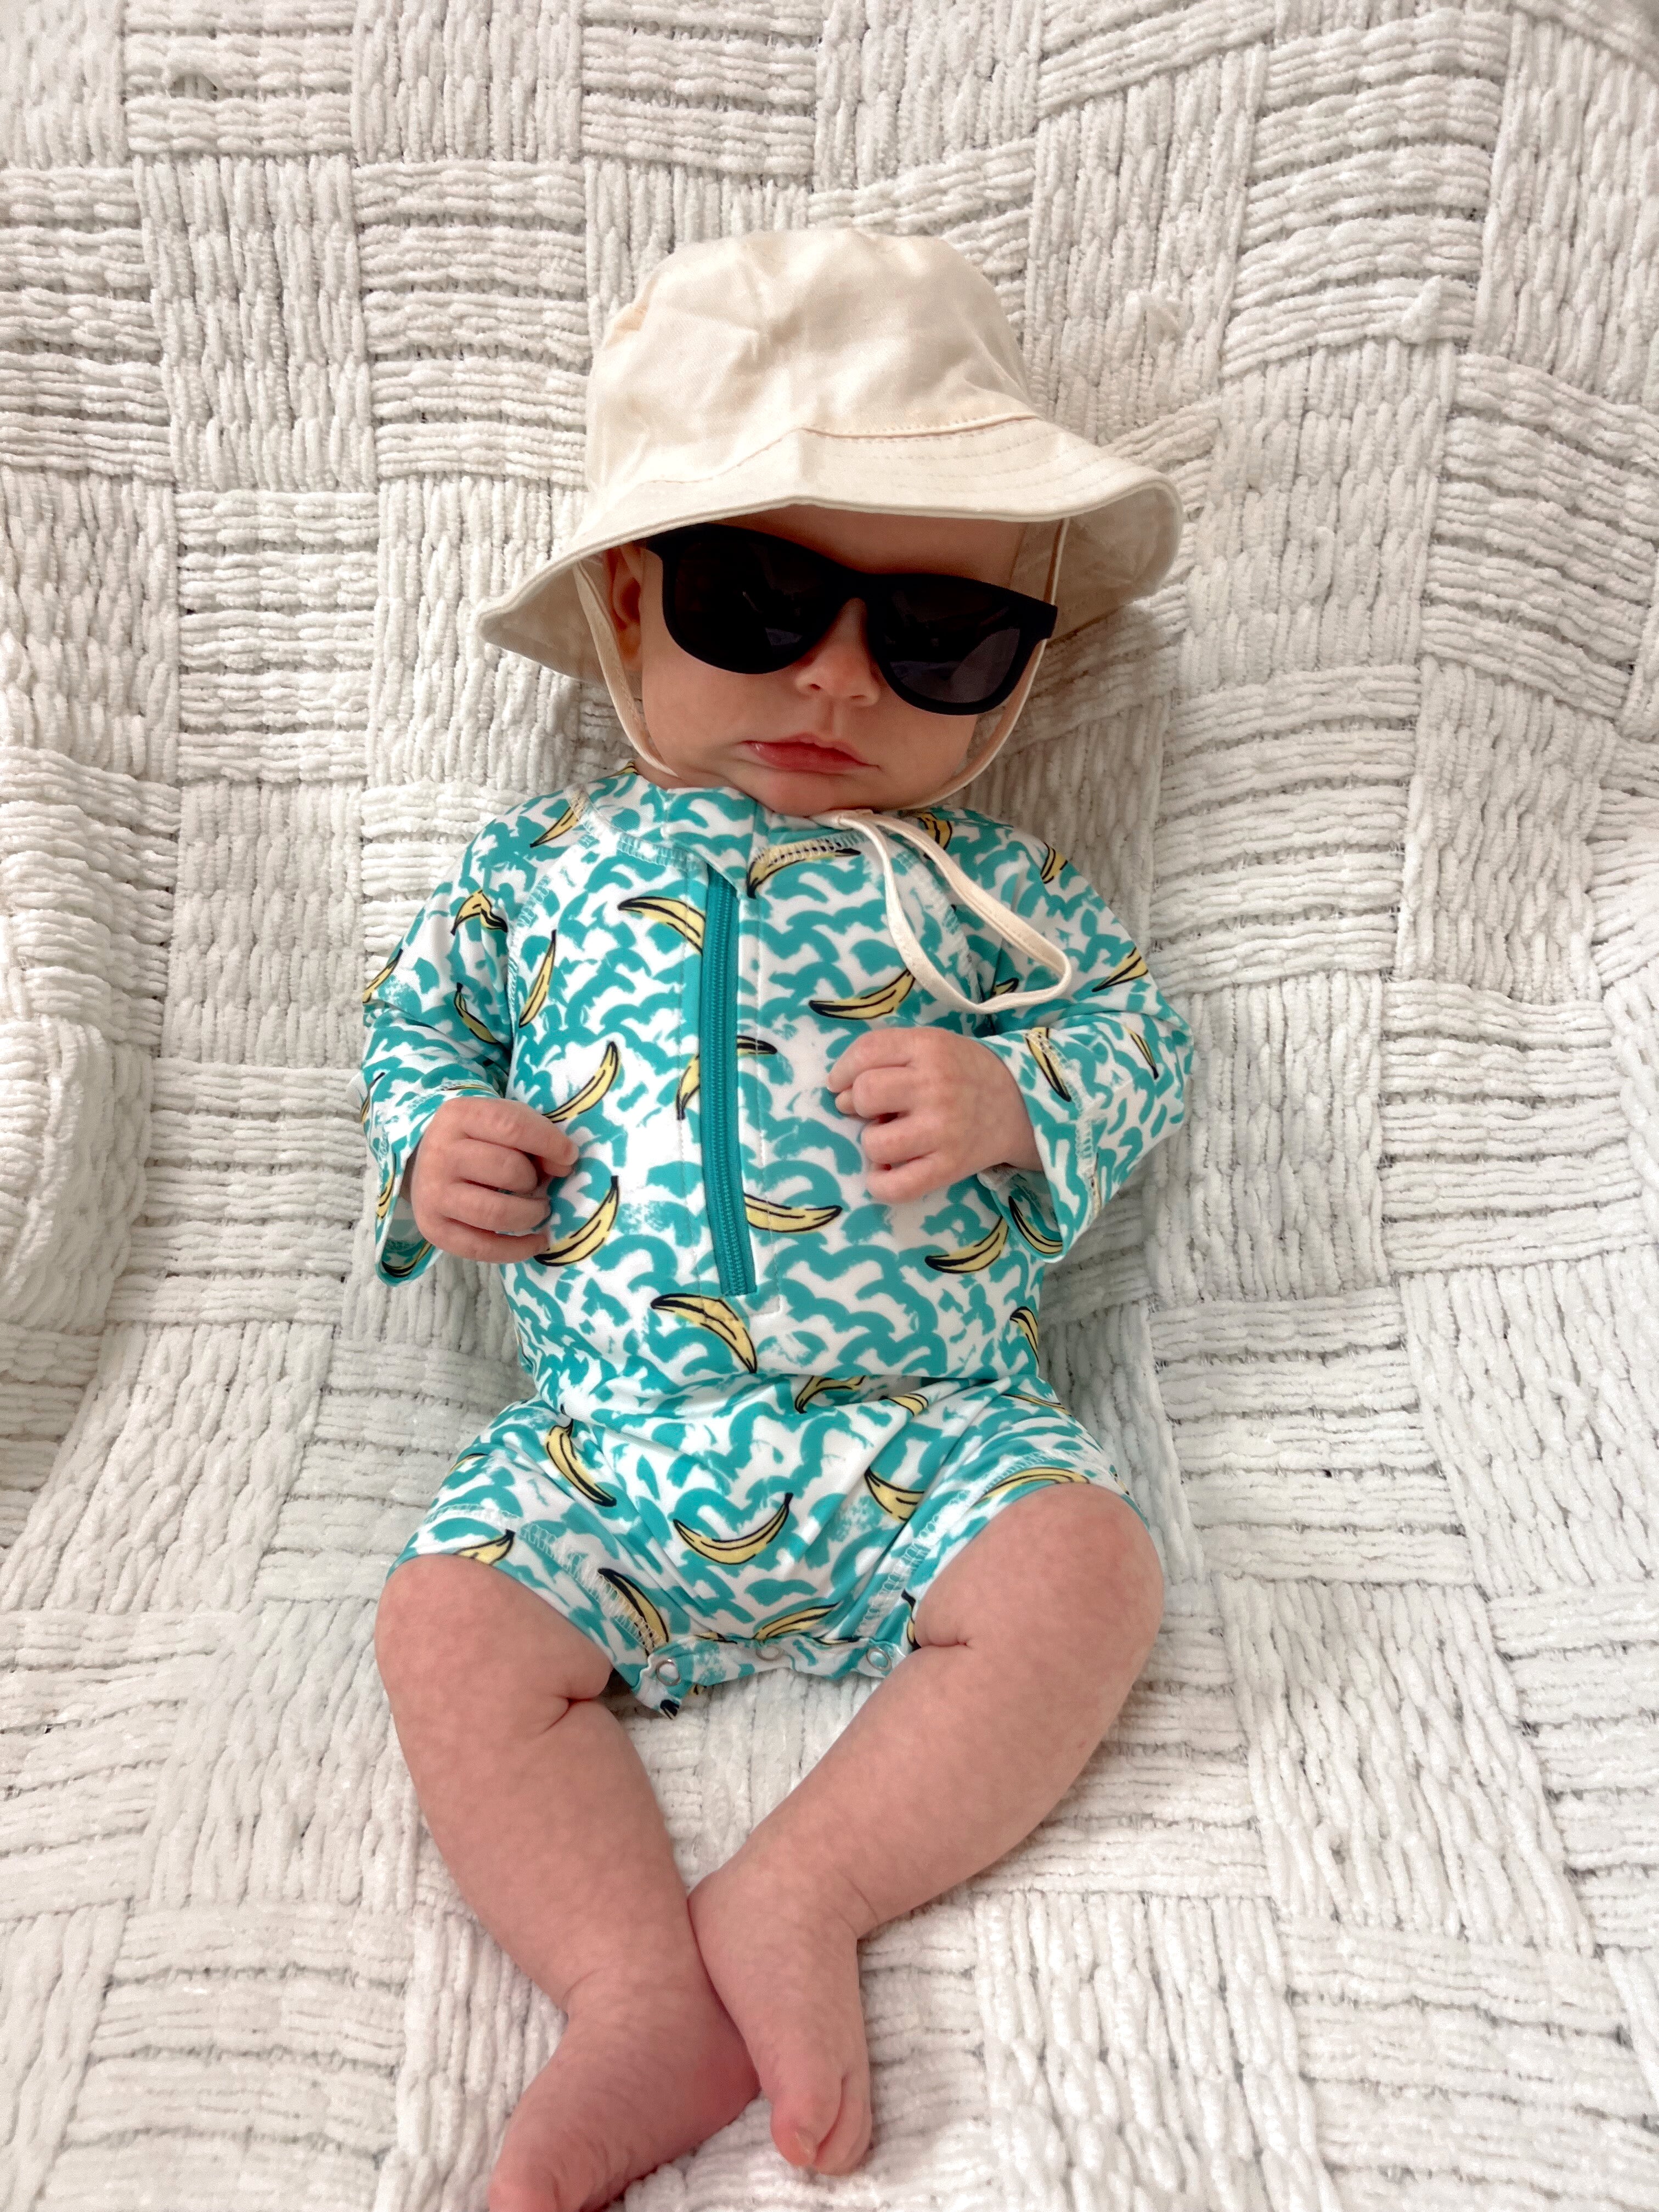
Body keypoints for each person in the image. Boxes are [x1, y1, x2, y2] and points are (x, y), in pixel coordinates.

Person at [360, 227, 1193, 2212]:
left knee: (1091, 1577)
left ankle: (800, 1888)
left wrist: (1022, 1096)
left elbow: (1132, 1031)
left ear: (1016, 674)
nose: (836, 679)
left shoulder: (986, 890)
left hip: (932, 1436)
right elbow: (421, 1023)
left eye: (936, 641)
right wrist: (433, 1144)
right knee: (443, 1628)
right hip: (610, 1450)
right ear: (635, 606)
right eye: (759, 600)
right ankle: (635, 1987)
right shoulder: (544, 859)